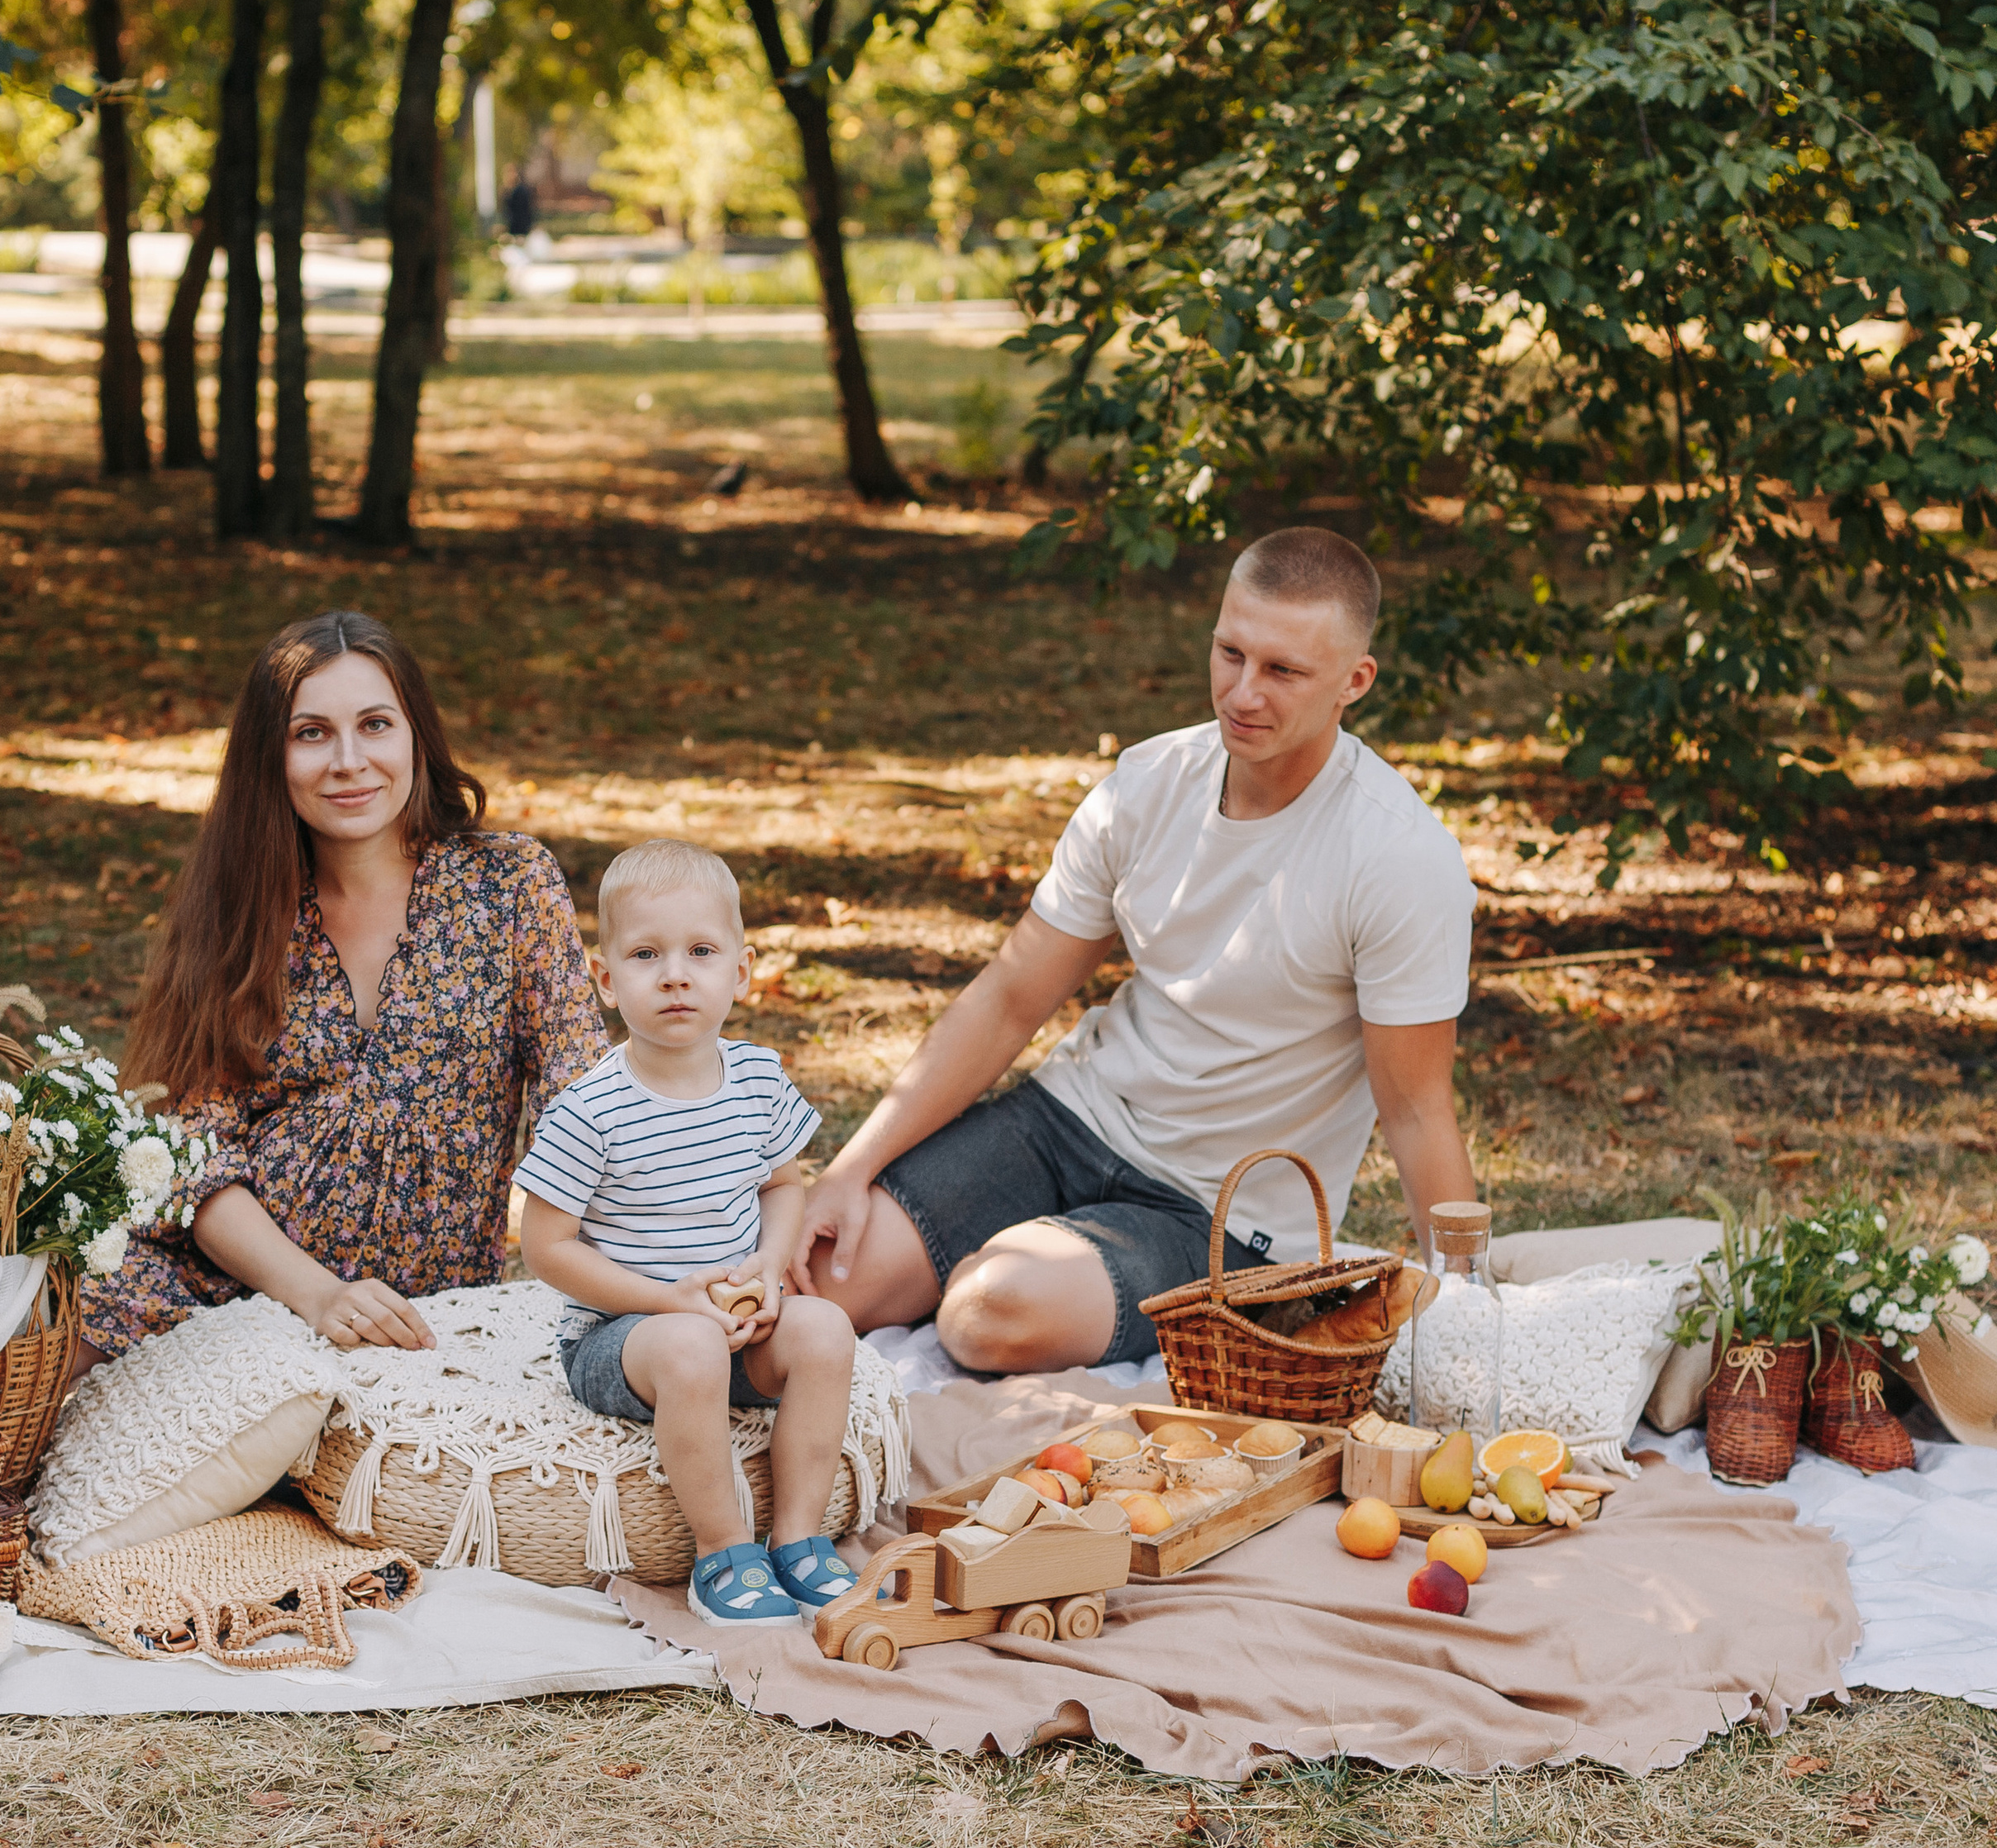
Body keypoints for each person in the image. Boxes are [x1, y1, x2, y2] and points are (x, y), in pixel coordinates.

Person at [792, 526, 1480, 1374]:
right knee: (819, 1276)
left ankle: (1038, 1262)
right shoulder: (1148, 784)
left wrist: (1470, 1318)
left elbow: (1416, 1110)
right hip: (1070, 1119)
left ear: (1354, 682)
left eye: (1282, 671)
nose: (1242, 692)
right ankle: (1029, 1250)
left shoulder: (1398, 858)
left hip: (1222, 1213)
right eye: (1229, 652)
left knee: (984, 1314)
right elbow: (1011, 995)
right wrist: (853, 1168)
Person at [81, 610, 608, 1366]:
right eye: (311, 733)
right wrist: (317, 1294)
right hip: (230, 1280)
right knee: (21, 1352)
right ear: (272, 756)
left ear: (416, 736)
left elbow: (583, 1104)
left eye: (375, 724)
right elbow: (192, 1155)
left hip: (419, 1311)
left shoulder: (509, 885)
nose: (349, 760)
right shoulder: (242, 909)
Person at [516, 840, 857, 1630]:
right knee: (691, 1347)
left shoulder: (758, 1080)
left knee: (827, 1330)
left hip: (736, 1321)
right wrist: (669, 1303)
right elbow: (547, 1248)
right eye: (645, 954)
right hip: (625, 1340)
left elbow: (782, 1185)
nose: (676, 974)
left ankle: (799, 1537)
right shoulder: (589, 1110)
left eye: (701, 951)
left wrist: (772, 1270)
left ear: (739, 973)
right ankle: (723, 1551)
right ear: (606, 981)